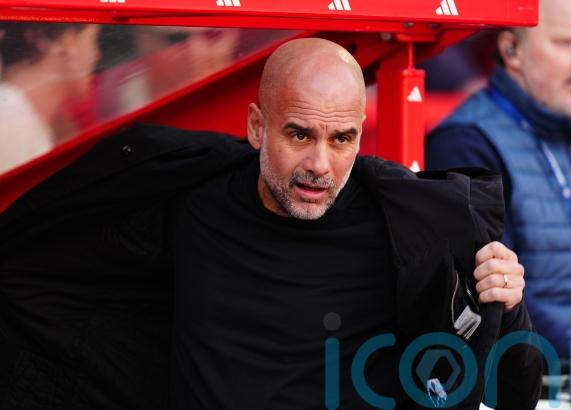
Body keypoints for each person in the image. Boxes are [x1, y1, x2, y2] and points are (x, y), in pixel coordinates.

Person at [0, 38, 541, 409]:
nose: (319, 164)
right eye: (299, 134)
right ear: (257, 127)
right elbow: (56, 278)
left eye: (342, 139)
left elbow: (514, 392)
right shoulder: (190, 199)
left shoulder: (411, 229)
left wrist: (510, 309)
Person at [425, 0, 571, 373]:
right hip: (539, 383)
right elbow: (499, 304)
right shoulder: (465, 144)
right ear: (511, 50)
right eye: (568, 42)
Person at [0, 23, 100, 174]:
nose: (96, 55)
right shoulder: (13, 126)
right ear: (66, 44)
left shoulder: (20, 120)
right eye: (92, 39)